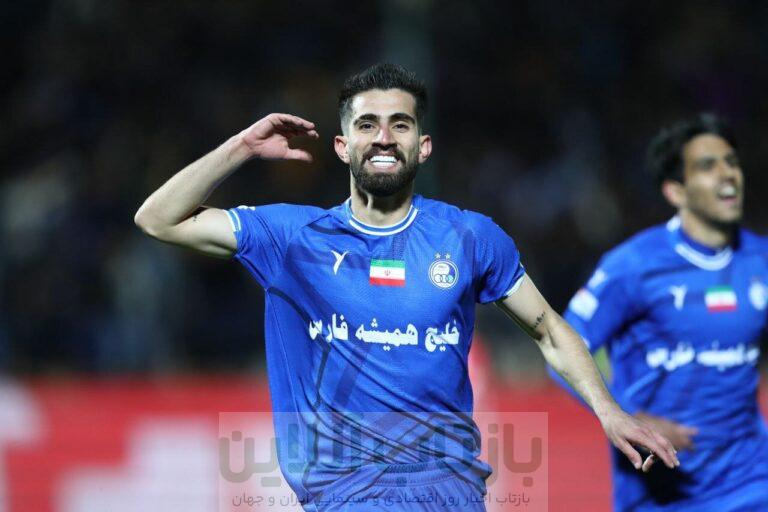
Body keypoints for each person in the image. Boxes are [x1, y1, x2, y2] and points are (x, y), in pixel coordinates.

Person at [135, 63, 677, 511]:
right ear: (343, 146)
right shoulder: (293, 239)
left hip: (453, 492)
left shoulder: (468, 237)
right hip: (345, 494)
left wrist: (609, 411)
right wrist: (242, 147)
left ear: (423, 146)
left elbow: (550, 331)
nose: (384, 138)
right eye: (367, 125)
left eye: (400, 124)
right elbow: (159, 219)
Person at [555, 113, 768, 511]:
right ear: (676, 191)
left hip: (752, 482)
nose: (728, 174)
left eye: (732, 162)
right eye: (708, 166)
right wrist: (625, 416)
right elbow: (562, 347)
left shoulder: (759, 259)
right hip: (661, 490)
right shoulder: (634, 266)